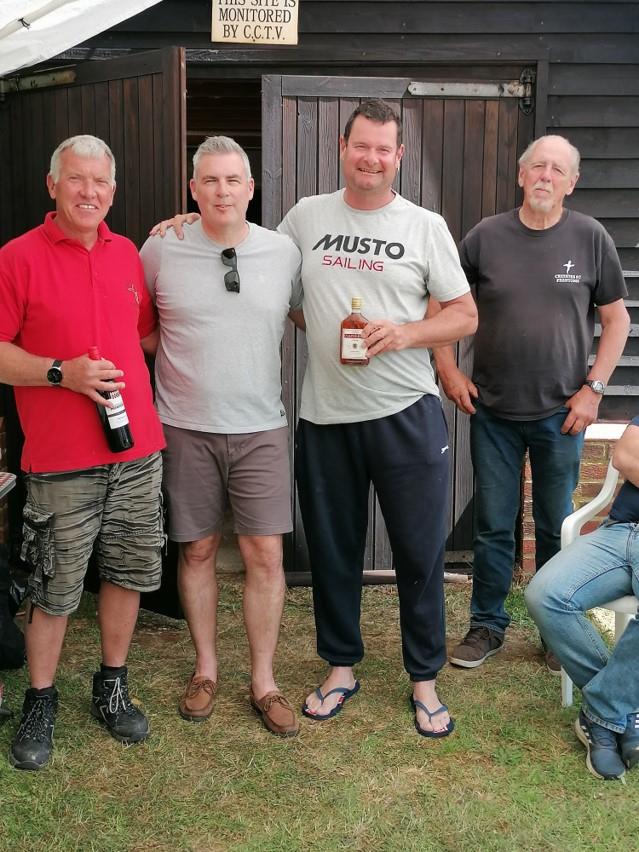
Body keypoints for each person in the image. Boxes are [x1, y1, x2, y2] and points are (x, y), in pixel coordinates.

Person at [153, 100, 477, 737]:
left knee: (418, 550)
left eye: (384, 149)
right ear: (342, 145)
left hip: (406, 411)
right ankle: (340, 667)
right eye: (362, 145)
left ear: (399, 156)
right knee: (333, 551)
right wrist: (188, 221)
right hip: (326, 416)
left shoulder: (424, 224)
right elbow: (259, 266)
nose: (372, 158)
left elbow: (464, 315)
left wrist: (405, 333)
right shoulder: (304, 218)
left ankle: (425, 679)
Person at [430, 135, 629, 672]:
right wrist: (448, 370)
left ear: (571, 182)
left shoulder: (590, 237)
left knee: (555, 524)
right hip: (492, 410)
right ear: (521, 176)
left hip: (562, 415)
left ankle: (552, 630)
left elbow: (617, 321)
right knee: (494, 525)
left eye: (557, 169)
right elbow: (442, 303)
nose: (545, 175)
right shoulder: (485, 237)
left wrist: (594, 389)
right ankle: (487, 627)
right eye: (536, 166)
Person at [0, 135, 166, 770]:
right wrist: (57, 373)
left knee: (125, 571)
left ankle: (112, 682)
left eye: (99, 182)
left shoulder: (128, 254)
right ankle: (41, 699)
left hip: (137, 451)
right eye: (76, 180)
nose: (88, 192)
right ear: (52, 185)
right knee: (54, 583)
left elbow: (146, 331)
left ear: (113, 191)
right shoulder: (17, 259)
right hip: (61, 458)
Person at [140, 136, 302, 737]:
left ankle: (264, 680)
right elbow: (143, 331)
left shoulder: (284, 252)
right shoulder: (160, 248)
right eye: (209, 181)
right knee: (198, 550)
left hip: (262, 425)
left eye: (233, 180)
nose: (222, 191)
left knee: (265, 554)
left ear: (251, 189)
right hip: (185, 426)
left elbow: (320, 314)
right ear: (192, 190)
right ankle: (206, 669)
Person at [525, 419, 639, 781]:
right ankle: (624, 708)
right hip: (619, 532)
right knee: (545, 595)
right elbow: (625, 456)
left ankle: (601, 718)